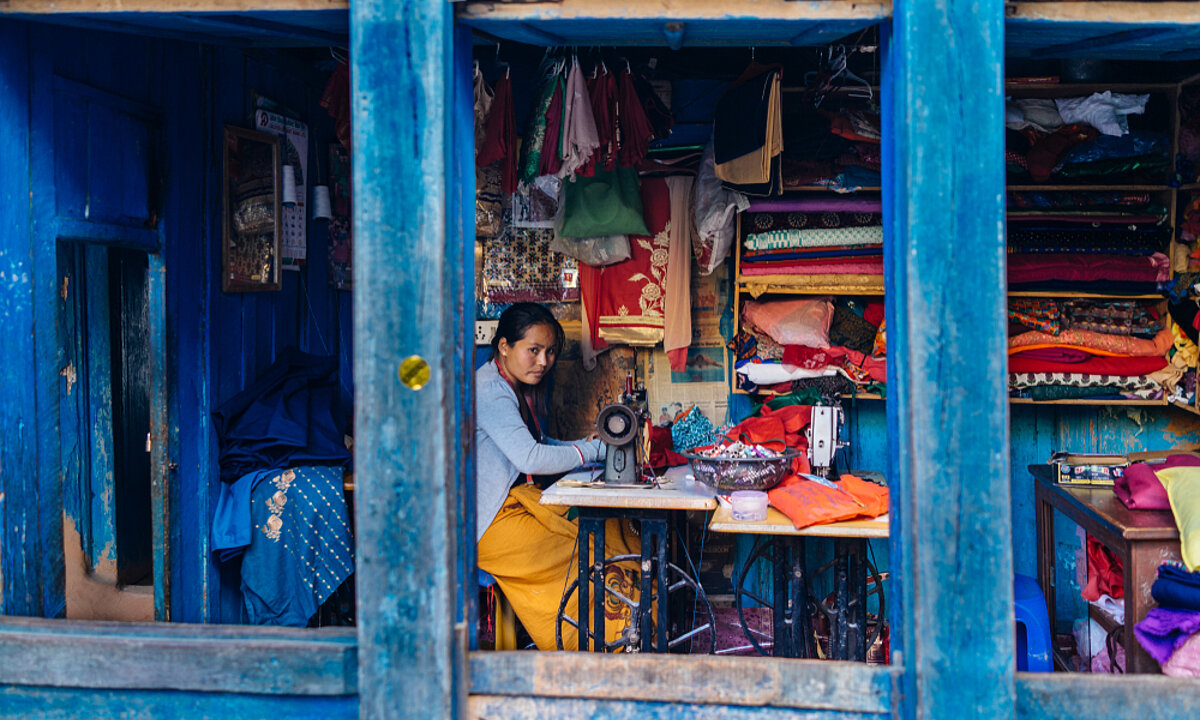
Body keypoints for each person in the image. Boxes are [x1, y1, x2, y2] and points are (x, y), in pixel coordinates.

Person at [475, 303, 639, 650]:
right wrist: (594, 451)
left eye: (549, 352)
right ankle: (602, 646)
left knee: (614, 530)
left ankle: (628, 634)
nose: (543, 362)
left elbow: (532, 442)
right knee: (591, 553)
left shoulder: (509, 385)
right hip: (487, 525)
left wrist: (586, 446)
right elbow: (529, 456)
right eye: (532, 350)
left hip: (512, 506)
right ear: (504, 346)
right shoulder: (490, 391)